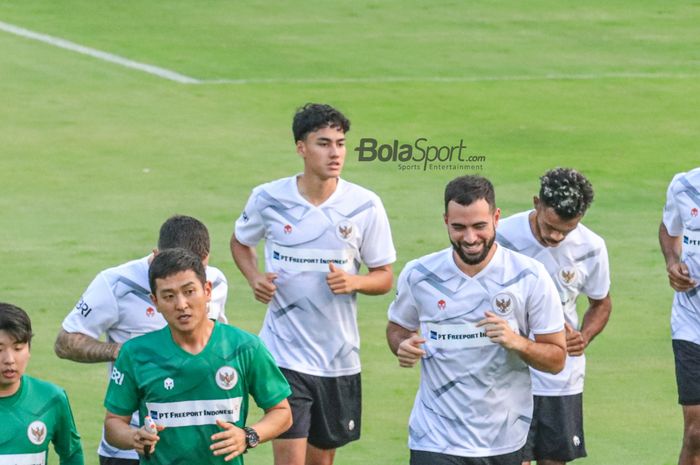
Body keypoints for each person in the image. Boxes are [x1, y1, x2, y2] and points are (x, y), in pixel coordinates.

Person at [230, 103, 396, 465]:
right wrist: (254, 277)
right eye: (323, 143)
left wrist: (353, 281)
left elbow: (384, 277)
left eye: (340, 143)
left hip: (338, 358)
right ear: (301, 147)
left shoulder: (365, 205)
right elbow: (240, 241)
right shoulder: (268, 198)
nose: (335, 152)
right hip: (283, 354)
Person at [386, 175, 566, 465]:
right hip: (434, 437)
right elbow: (397, 328)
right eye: (459, 227)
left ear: (496, 217)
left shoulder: (529, 276)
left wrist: (517, 342)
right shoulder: (419, 274)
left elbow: (557, 359)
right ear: (445, 220)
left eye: (479, 226)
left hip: (504, 439)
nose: (470, 238)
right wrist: (402, 344)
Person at [55, 214, 228, 465]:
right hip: (130, 447)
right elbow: (64, 342)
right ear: (156, 255)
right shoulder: (115, 284)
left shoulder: (216, 281)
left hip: (197, 444)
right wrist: (120, 351)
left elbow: (218, 342)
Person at [103, 248, 292, 464]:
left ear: (207, 290)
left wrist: (247, 436)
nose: (181, 304)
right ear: (155, 301)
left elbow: (281, 412)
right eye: (169, 296)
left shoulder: (245, 347)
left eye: (189, 291)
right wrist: (133, 437)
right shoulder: (136, 354)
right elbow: (114, 423)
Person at [495, 168, 612, 465]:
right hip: (507, 374)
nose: (555, 236)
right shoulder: (502, 238)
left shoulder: (592, 247)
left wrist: (583, 337)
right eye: (550, 226)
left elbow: (601, 303)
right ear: (537, 203)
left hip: (560, 378)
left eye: (567, 229)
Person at [0, 302, 84, 465]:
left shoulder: (51, 398)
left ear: (29, 350)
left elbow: (72, 454)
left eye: (18, 348)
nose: (9, 360)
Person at [659, 167, 700, 465]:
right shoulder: (684, 186)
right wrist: (672, 262)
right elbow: (668, 229)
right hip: (691, 322)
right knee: (696, 432)